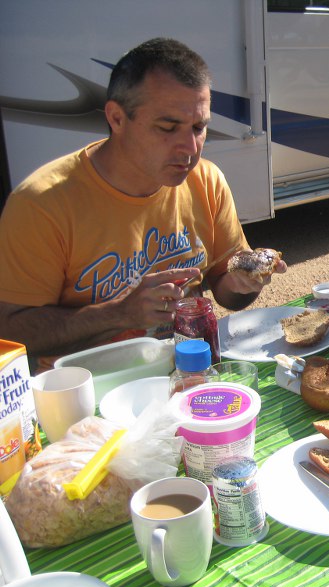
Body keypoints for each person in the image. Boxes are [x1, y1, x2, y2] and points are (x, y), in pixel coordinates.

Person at [0, 38, 286, 370]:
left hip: (187, 372)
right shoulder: (42, 203)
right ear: (117, 118)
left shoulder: (207, 181)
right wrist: (119, 313)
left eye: (199, 127)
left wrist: (241, 283)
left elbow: (226, 289)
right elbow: (11, 330)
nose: (189, 148)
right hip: (88, 397)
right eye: (168, 127)